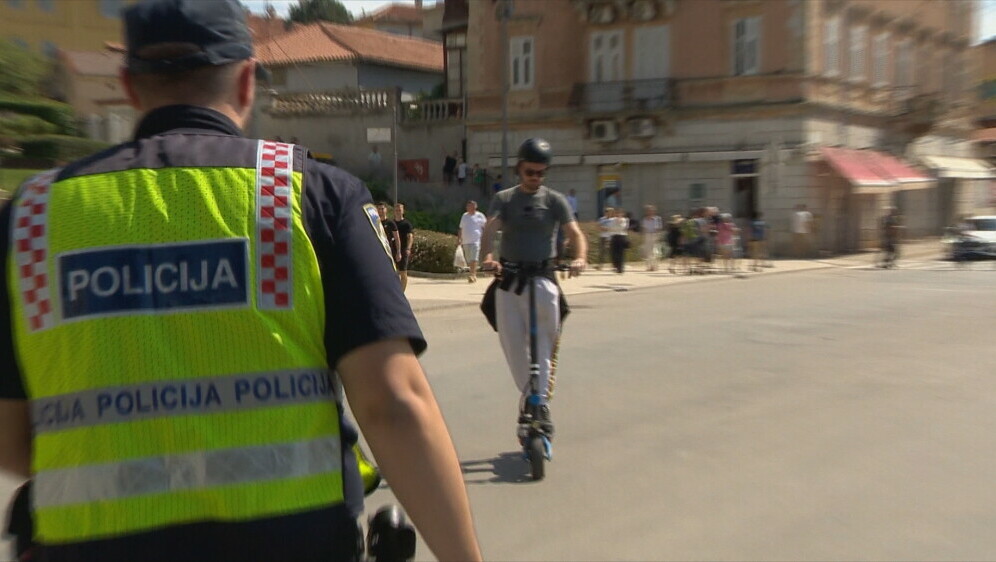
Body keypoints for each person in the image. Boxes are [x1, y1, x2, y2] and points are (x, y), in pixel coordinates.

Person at [0, 2, 482, 561]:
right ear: (248, 80)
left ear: (129, 86)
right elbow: (393, 406)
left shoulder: (30, 220)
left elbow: (14, 443)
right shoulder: (306, 195)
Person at [480, 138, 587, 439]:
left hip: (542, 278)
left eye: (541, 173)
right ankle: (530, 397)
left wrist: (580, 257)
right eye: (530, 172)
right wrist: (488, 256)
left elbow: (575, 233)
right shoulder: (504, 198)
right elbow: (491, 228)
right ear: (519, 169)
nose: (536, 178)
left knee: (543, 347)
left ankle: (539, 401)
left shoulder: (554, 200)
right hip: (510, 280)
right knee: (514, 347)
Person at [458, 200, 487, 282]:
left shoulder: (480, 216)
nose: (469, 208)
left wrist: (485, 238)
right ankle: (472, 273)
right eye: (468, 206)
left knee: (474, 258)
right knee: (469, 259)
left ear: (475, 207)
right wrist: (459, 239)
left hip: (476, 240)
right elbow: (461, 228)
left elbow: (485, 227)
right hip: (466, 241)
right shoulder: (464, 216)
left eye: (471, 206)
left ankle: (473, 275)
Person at [393, 203, 415, 290]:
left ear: (403, 211)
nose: (398, 212)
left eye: (399, 210)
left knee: (403, 272)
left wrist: (408, 248)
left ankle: (402, 291)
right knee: (392, 271)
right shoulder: (392, 223)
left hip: (403, 249)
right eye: (396, 210)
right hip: (393, 249)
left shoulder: (406, 224)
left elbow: (410, 236)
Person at [377, 201, 401, 265]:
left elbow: (397, 238)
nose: (380, 211)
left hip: (388, 250)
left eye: (382, 209)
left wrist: (398, 252)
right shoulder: (375, 222)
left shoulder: (391, 223)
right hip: (376, 249)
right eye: (379, 209)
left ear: (386, 210)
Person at [640, 204, 663, 272]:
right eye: (648, 211)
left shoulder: (657, 219)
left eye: (651, 211)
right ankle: (649, 266)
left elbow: (659, 228)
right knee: (648, 252)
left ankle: (654, 266)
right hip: (647, 235)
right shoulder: (644, 219)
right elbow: (644, 228)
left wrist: (658, 236)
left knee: (654, 251)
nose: (650, 212)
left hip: (654, 235)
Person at [608, 207, 630, 274]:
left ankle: (621, 268)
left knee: (621, 253)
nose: (618, 214)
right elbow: (611, 228)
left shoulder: (625, 220)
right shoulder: (611, 220)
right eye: (617, 213)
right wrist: (617, 224)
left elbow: (624, 228)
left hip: (622, 236)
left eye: (620, 213)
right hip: (614, 236)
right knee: (614, 253)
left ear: (622, 214)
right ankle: (616, 266)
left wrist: (618, 224)